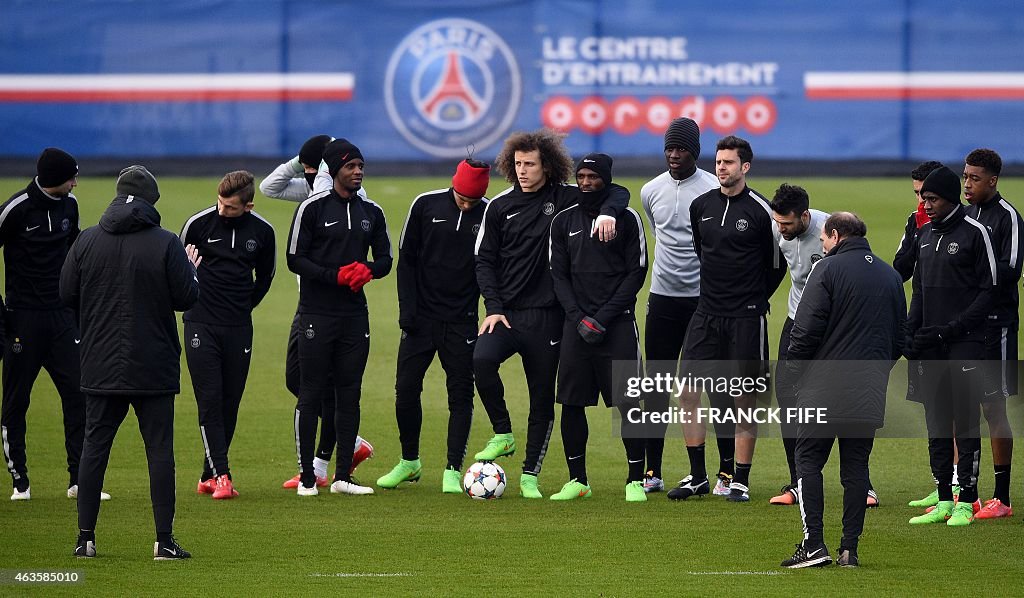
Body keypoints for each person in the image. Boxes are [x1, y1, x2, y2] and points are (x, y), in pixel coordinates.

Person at [472, 128, 627, 498]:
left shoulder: (566, 199)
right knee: (480, 360)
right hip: (507, 316)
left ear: (548, 166)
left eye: (530, 164)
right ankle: (503, 432)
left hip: (549, 319)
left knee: (542, 399)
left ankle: (529, 476)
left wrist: (607, 213)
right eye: (518, 163)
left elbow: (617, 191)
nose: (522, 170)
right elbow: (483, 262)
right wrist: (493, 307)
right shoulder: (499, 206)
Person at [61, 165, 200, 559]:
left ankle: (85, 539)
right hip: (153, 364)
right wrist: (192, 272)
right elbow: (186, 298)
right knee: (159, 451)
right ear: (151, 202)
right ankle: (163, 540)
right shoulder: (166, 243)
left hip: (100, 362)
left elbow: (65, 293)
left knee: (94, 449)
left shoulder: (87, 241)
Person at [779, 212, 904, 569]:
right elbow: (900, 339)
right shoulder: (891, 276)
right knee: (856, 470)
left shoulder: (827, 271)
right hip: (868, 390)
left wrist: (794, 374)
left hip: (823, 387)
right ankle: (849, 550)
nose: (822, 244)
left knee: (808, 461)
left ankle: (814, 545)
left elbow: (804, 331)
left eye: (823, 240)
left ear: (834, 235)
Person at [669, 136, 786, 502]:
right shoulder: (700, 206)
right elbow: (703, 253)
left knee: (744, 398)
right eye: (719, 162)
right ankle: (698, 475)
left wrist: (752, 299)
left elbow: (776, 266)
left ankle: (740, 478)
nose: (722, 168)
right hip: (706, 313)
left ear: (745, 167)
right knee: (687, 391)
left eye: (729, 163)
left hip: (747, 318)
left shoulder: (761, 211)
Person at [260, 135, 374, 489]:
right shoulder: (309, 190)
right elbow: (269, 187)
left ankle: (323, 468)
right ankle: (348, 442)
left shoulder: (345, 196)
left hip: (331, 306)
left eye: (313, 166)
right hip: (309, 303)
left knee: (321, 387)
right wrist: (301, 164)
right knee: (305, 383)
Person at [0, 148, 109, 501]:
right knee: (16, 401)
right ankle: (20, 482)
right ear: (52, 180)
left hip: (63, 317)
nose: (75, 183)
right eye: (70, 178)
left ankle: (79, 480)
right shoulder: (15, 210)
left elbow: (74, 251)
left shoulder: (70, 205)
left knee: (79, 395)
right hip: (23, 318)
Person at [286, 138, 391, 496]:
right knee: (311, 394)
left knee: (350, 393)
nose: (358, 172)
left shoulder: (371, 212)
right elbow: (294, 258)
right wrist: (335, 276)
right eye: (351, 166)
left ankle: (343, 476)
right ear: (335, 171)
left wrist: (369, 271)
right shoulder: (312, 209)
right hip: (316, 314)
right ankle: (306, 478)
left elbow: (387, 259)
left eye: (361, 166)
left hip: (353, 316)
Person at [378, 158, 491, 493]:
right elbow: (406, 261)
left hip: (462, 321)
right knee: (406, 392)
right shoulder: (424, 205)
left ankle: (453, 470)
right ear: (454, 185)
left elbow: (491, 268)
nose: (467, 204)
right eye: (462, 199)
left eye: (473, 201)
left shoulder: (489, 214)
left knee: (460, 395)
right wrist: (407, 312)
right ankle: (409, 461)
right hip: (420, 320)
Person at [639, 117, 733, 496]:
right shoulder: (650, 190)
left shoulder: (713, 189)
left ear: (695, 151)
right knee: (657, 387)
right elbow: (659, 232)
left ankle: (726, 474)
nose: (674, 155)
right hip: (662, 298)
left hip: (704, 300)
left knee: (716, 386)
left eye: (681, 149)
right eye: (669, 148)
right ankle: (653, 472)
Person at [548, 153, 649, 502]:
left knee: (630, 403)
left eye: (593, 176)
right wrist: (579, 318)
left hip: (617, 325)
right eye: (581, 176)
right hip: (576, 327)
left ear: (605, 179)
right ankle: (578, 481)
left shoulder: (627, 218)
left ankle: (635, 480)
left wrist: (602, 318)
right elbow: (558, 275)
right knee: (572, 404)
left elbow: (636, 273)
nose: (586, 182)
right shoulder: (562, 221)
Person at [904, 165, 995, 528]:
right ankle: (943, 497)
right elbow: (921, 292)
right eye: (924, 199)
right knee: (936, 423)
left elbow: (990, 293)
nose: (928, 205)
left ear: (950, 198)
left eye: (934, 199)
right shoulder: (924, 236)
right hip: (932, 347)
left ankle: (967, 500)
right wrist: (910, 333)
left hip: (965, 344)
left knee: (966, 423)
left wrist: (951, 329)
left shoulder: (976, 233)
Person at [180, 171, 276, 500]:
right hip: (200, 324)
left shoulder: (263, 231)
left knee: (229, 404)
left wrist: (241, 308)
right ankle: (222, 475)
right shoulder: (197, 225)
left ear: (247, 206)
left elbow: (265, 278)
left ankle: (207, 474)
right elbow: (178, 271)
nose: (222, 211)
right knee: (209, 400)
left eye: (231, 207)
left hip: (238, 327)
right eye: (220, 203)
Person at [961, 148, 1021, 520]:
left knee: (992, 407)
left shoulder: (1008, 217)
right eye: (965, 176)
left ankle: (1002, 496)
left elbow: (1011, 269)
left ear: (993, 180)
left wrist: (969, 279)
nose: (967, 184)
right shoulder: (965, 216)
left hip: (996, 325)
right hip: (967, 325)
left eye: (975, 178)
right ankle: (964, 490)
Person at [893, 161, 944, 282]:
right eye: (917, 193)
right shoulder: (914, 219)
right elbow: (900, 272)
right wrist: (920, 235)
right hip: (923, 298)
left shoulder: (968, 219)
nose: (921, 199)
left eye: (926, 192)